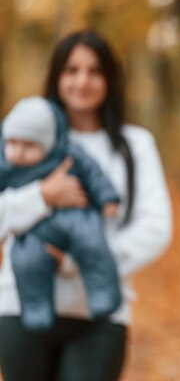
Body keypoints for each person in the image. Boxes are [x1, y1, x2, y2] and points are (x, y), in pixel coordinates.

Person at [0, 30, 172, 381]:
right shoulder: (19, 140)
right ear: (57, 77)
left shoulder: (135, 145)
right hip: (19, 308)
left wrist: (82, 261)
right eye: (72, 70)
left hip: (100, 317)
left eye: (95, 71)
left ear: (110, 79)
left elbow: (155, 226)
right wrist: (42, 197)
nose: (83, 80)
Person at [1, 95, 122, 331]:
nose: (18, 153)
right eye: (12, 144)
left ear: (47, 145)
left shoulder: (67, 153)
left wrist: (107, 197)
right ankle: (36, 311)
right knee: (27, 262)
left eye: (28, 146)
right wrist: (42, 195)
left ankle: (103, 294)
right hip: (31, 232)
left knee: (93, 244)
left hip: (76, 217)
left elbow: (92, 172)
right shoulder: (6, 167)